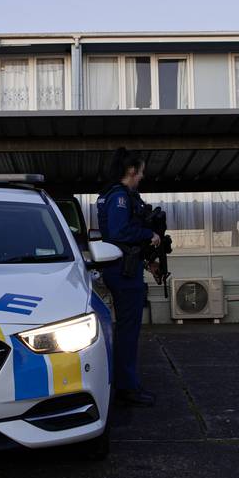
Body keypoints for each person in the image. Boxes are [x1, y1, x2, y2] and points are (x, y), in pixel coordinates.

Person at [96, 148, 160, 407]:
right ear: (132, 171)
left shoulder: (112, 194)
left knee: (126, 329)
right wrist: (149, 235)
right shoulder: (120, 197)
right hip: (124, 272)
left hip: (124, 267)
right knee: (128, 331)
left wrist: (149, 259)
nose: (142, 176)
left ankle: (125, 382)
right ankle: (126, 387)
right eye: (141, 171)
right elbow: (120, 231)